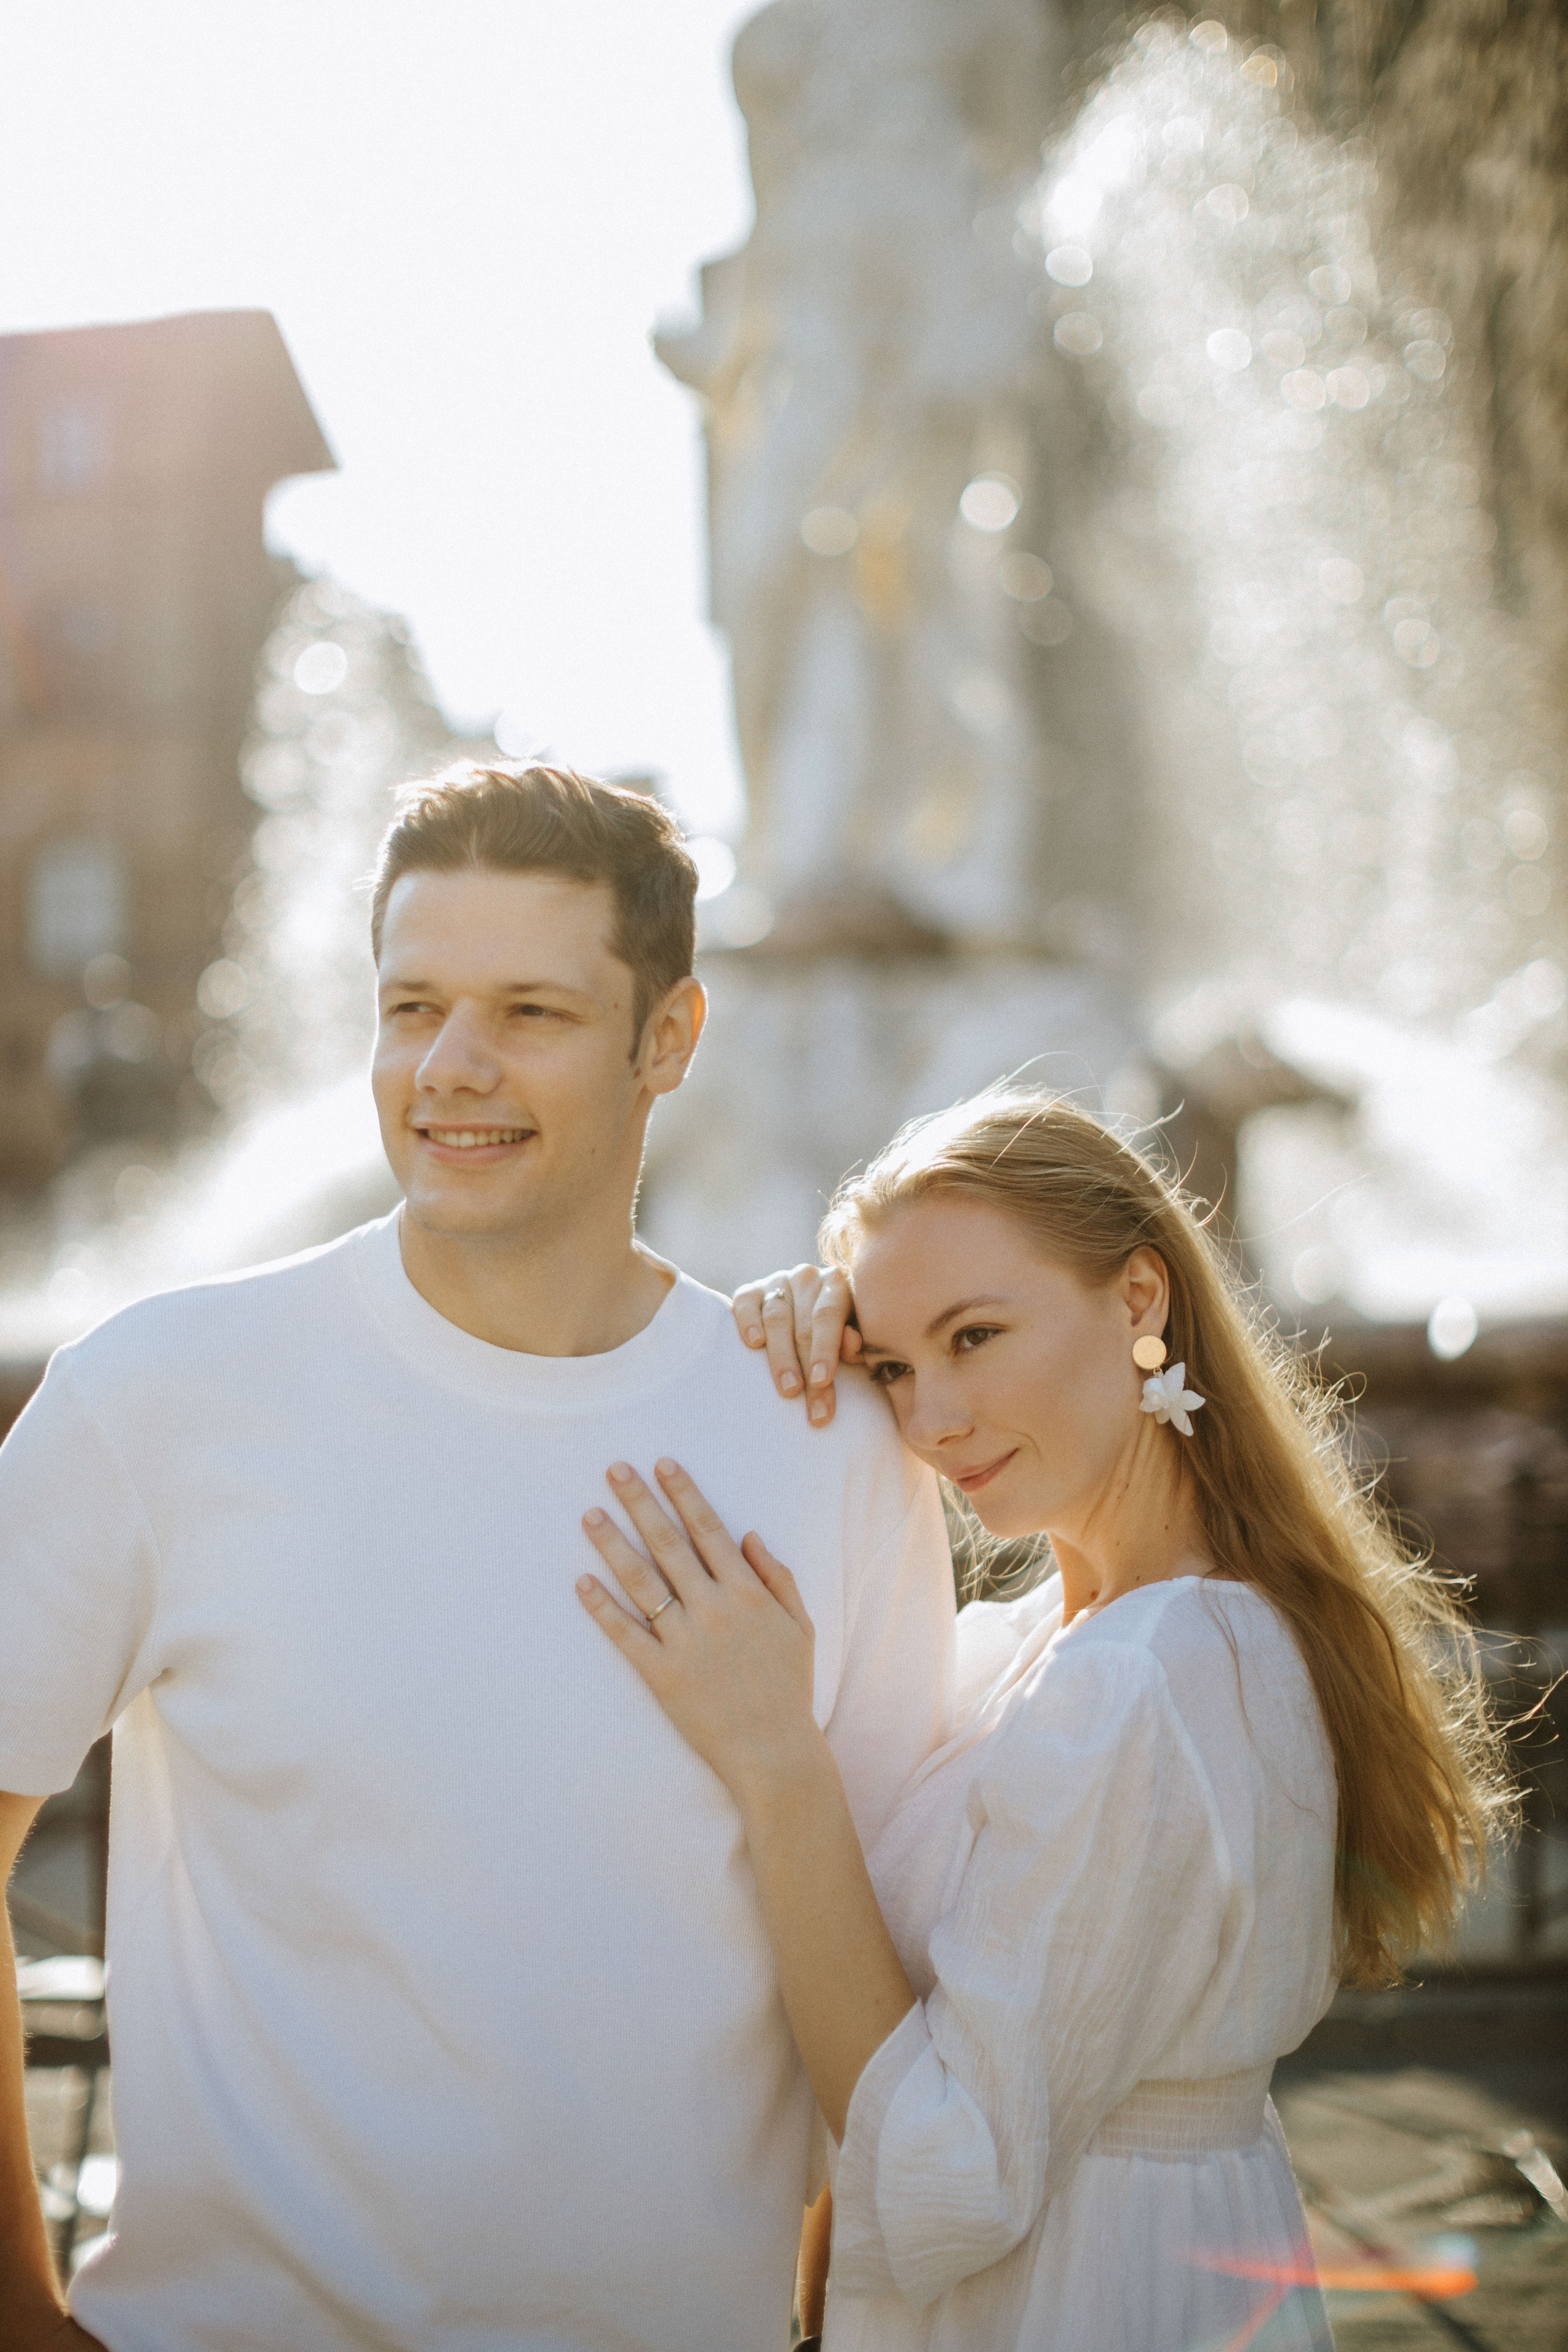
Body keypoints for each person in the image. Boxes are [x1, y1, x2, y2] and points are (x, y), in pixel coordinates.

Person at [0, 764, 956, 2352]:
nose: (451, 1069)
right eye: (413, 1005)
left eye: (530, 1012)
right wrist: (19, 2318)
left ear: (670, 1039)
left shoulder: (826, 1438)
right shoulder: (157, 1397)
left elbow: (888, 1974)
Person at [578, 1089, 1513, 2351]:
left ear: (1137, 1299)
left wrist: (772, 1759)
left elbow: (949, 2179)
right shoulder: (1033, 1647)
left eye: (974, 1336)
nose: (928, 1421)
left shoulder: (1154, 1677)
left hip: (1085, 2297)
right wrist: (772, 1387)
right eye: (895, 1365)